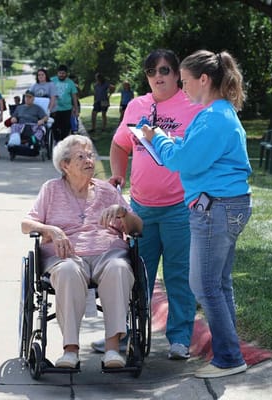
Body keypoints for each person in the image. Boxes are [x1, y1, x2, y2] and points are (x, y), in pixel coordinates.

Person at [142, 50, 252, 379]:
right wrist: (170, 142)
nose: (183, 87)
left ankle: (229, 358)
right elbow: (193, 153)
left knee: (203, 285)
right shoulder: (216, 113)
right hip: (223, 205)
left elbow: (183, 163)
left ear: (204, 80)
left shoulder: (214, 117)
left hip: (214, 208)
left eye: (186, 81)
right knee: (218, 284)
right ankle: (229, 353)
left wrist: (159, 138)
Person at [93, 49, 202, 361]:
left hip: (180, 207)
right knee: (135, 275)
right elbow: (119, 144)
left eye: (165, 70)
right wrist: (116, 174)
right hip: (141, 208)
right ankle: (123, 334)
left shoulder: (192, 107)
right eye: (152, 70)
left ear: (177, 74)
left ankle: (180, 339)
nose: (159, 76)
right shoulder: (137, 106)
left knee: (179, 275)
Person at [21, 134, 143, 369]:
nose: (89, 160)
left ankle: (112, 349)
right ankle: (70, 350)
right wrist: (51, 230)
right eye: (81, 156)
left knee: (119, 268)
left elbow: (138, 228)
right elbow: (26, 224)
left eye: (90, 155)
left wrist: (123, 213)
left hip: (108, 254)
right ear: (65, 165)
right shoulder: (51, 189)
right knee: (67, 271)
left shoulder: (107, 191)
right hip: (66, 256)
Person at [51, 65, 79, 142]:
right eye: (60, 73)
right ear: (57, 73)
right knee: (54, 127)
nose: (61, 75)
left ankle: (62, 143)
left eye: (63, 73)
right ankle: (56, 141)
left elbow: (74, 97)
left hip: (66, 109)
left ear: (66, 73)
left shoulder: (70, 83)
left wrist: (76, 109)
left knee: (66, 128)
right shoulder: (52, 80)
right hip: (54, 109)